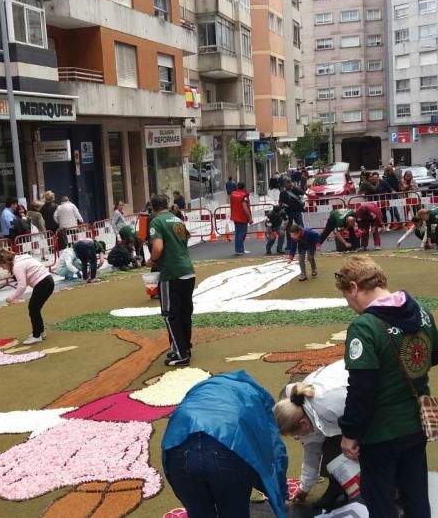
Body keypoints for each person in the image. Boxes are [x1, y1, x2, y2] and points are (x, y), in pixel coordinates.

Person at [335, 255, 438, 518]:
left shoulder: (365, 326)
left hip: (380, 430)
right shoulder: (420, 310)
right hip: (416, 421)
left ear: (353, 287)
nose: (351, 305)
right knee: (416, 494)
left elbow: (362, 388)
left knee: (380, 500)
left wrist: (350, 433)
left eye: (348, 297)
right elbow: (436, 355)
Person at [162, 370, 288, 518]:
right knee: (233, 512)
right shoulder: (254, 393)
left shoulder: (198, 390)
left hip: (178, 452)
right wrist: (281, 494)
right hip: (229, 450)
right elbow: (273, 449)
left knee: (198, 513)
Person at [274, 361, 350, 510]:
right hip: (349, 405)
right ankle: (337, 487)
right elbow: (312, 451)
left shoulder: (331, 405)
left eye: (295, 435)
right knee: (331, 449)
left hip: (378, 394)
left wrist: (352, 438)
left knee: (348, 449)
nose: (297, 439)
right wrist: (304, 487)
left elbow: (366, 413)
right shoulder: (302, 406)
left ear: (303, 424)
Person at [147, 195, 195, 366]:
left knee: (170, 314)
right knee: (184, 312)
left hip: (171, 272)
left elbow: (158, 247)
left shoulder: (156, 222)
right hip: (187, 270)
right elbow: (187, 237)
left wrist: (152, 260)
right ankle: (184, 347)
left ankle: (180, 352)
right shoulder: (176, 219)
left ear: (153, 208)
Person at [0, 248, 54, 345]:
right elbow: (24, 283)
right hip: (47, 280)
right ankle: (40, 332)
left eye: (2, 265)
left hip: (43, 283)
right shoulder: (22, 258)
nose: (2, 268)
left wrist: (11, 298)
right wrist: (15, 297)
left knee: (33, 309)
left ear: (5, 261)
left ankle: (37, 335)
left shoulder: (17, 266)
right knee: (35, 308)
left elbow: (22, 285)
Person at [230, 181, 253, 255]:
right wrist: (250, 218)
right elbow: (245, 208)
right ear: (244, 187)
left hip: (235, 216)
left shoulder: (233, 194)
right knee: (242, 234)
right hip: (242, 217)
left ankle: (239, 249)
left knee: (238, 233)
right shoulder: (243, 196)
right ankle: (240, 249)